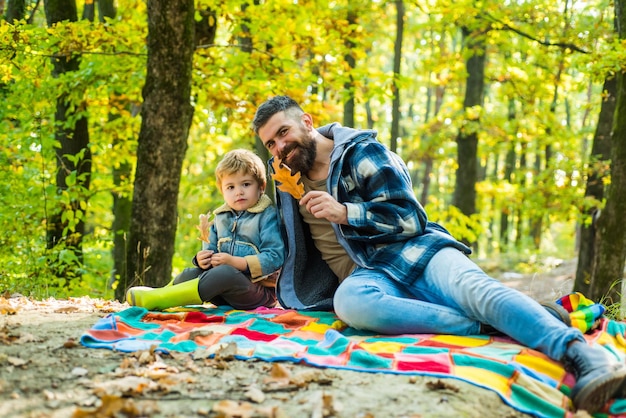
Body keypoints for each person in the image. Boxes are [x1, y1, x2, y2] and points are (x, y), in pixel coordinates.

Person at [252, 95, 626, 413]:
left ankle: (582, 355)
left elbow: (411, 218)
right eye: (270, 143)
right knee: (350, 304)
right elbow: (280, 243)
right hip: (368, 274)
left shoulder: (362, 153)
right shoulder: (287, 181)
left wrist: (346, 212)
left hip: (415, 250)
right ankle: (490, 324)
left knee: (474, 289)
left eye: (283, 132)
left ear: (306, 121)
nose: (280, 147)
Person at [126, 149, 284, 311]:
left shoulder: (267, 216)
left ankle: (158, 299)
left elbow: (275, 257)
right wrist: (203, 259)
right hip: (223, 292)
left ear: (261, 187)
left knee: (225, 274)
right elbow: (210, 250)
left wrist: (237, 263)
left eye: (246, 184)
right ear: (222, 190)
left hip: (258, 293)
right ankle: (161, 293)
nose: (239, 192)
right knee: (191, 273)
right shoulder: (221, 218)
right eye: (230, 187)